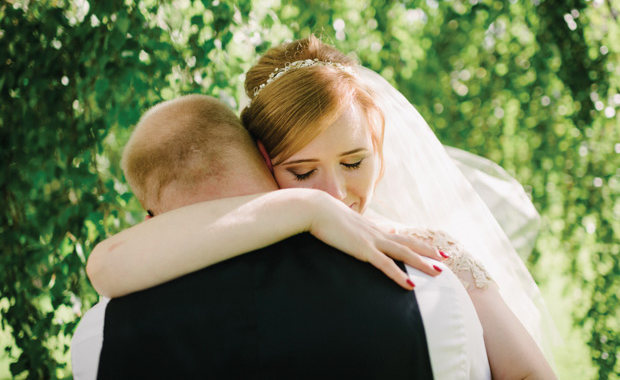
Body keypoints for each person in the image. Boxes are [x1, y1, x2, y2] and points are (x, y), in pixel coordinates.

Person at [85, 37, 557, 378]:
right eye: (303, 172)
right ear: (263, 163)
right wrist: (306, 209)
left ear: (380, 147)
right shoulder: (249, 231)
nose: (335, 193)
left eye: (354, 161)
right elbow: (107, 264)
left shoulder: (432, 250)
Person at [72, 94, 489, 378]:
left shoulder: (99, 339)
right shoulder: (428, 287)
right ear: (267, 161)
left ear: (151, 222)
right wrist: (307, 209)